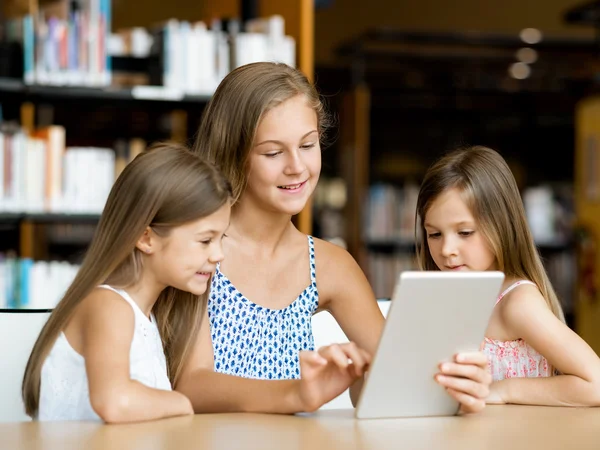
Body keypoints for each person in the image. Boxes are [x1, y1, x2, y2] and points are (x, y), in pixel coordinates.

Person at [175, 62, 492, 414]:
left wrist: (454, 387)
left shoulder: (329, 265)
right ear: (232, 153)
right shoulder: (200, 248)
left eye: (308, 145)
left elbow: (394, 380)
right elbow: (193, 384)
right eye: (273, 152)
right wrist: (298, 394)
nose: (297, 166)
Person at [22, 143, 232, 422]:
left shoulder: (146, 317)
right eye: (205, 240)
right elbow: (115, 401)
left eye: (221, 239)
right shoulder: (108, 305)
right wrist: (181, 402)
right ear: (146, 238)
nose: (218, 255)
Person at [415, 145, 600, 406]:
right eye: (434, 234)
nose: (446, 250)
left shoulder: (517, 303)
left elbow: (596, 383)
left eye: (465, 232)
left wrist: (503, 390)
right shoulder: (450, 297)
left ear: (501, 225)